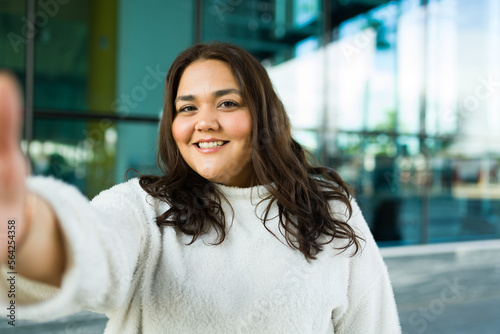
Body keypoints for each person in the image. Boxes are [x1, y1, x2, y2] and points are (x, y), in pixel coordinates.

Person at [0, 44, 401, 333]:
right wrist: (26, 229)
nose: (203, 122)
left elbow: (373, 324)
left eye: (227, 104)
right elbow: (90, 250)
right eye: (187, 108)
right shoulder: (144, 208)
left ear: (265, 117)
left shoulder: (329, 210)